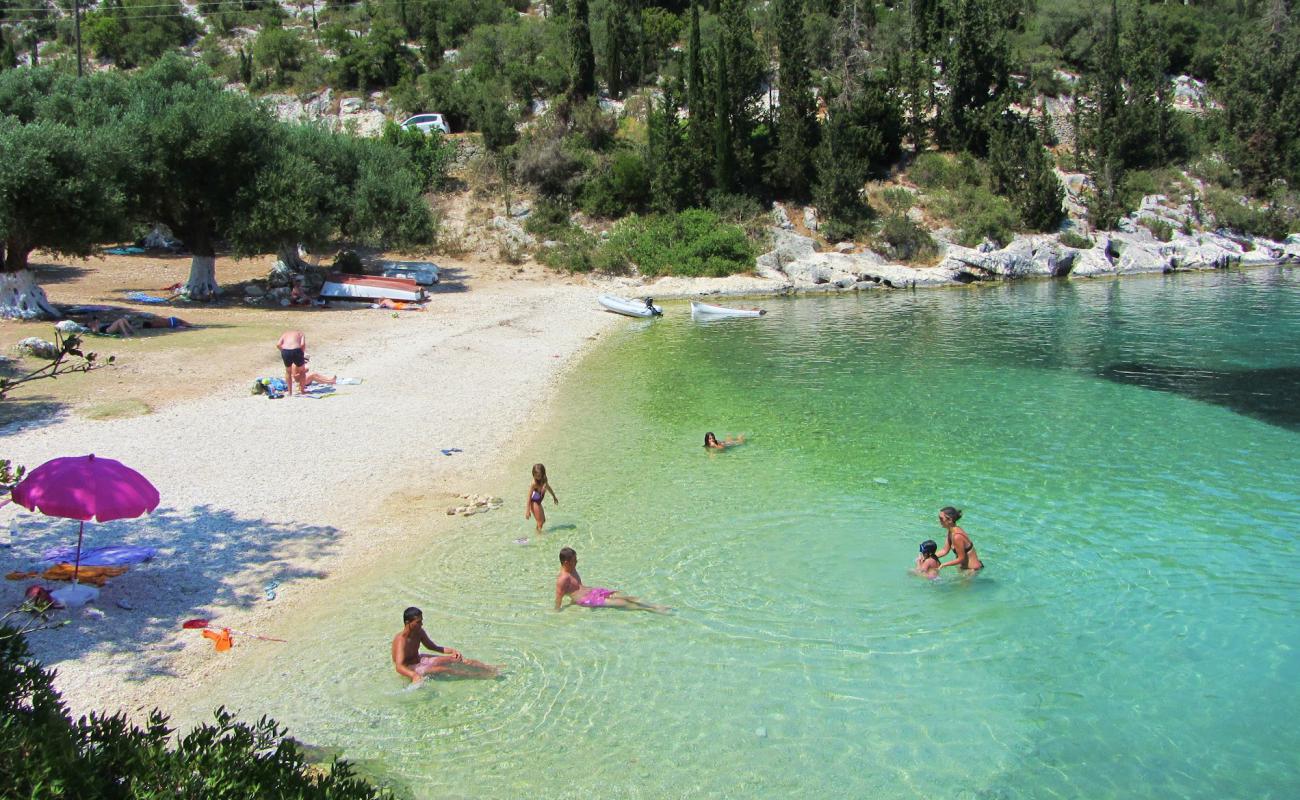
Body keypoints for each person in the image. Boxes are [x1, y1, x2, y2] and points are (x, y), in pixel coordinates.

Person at [391, 606, 499, 684]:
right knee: (444, 669)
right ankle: (481, 676)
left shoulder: (419, 632)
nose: (421, 624)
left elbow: (433, 647)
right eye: (418, 622)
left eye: (421, 621)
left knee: (458, 660)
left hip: (419, 659)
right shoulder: (402, 640)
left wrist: (452, 651)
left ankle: (489, 668)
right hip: (410, 667)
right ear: (407, 623)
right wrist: (413, 675)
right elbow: (399, 666)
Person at [554, 547, 669, 613]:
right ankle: (651, 610)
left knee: (624, 596)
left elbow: (577, 587)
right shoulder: (563, 579)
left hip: (593, 591)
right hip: (586, 599)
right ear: (566, 562)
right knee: (623, 603)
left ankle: (655, 605)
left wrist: (572, 600)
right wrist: (556, 612)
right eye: (575, 560)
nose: (577, 561)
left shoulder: (572, 569)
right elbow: (558, 599)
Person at [933, 507, 983, 572]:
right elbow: (944, 550)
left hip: (972, 570)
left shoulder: (957, 536)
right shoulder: (951, 531)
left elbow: (961, 558)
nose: (939, 521)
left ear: (950, 520)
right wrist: (930, 556)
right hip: (964, 568)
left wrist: (943, 565)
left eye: (941, 519)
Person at [525, 463, 558, 534]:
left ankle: (537, 532)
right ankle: (539, 537)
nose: (536, 477)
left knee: (543, 520)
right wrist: (528, 510)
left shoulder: (544, 480)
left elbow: (548, 488)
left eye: (538, 476)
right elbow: (528, 497)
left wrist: (554, 497)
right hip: (533, 502)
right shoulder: (534, 483)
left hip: (538, 502)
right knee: (540, 522)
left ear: (543, 474)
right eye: (535, 475)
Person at [276, 330, 308, 397]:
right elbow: (302, 344)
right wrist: (302, 353)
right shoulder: (301, 334)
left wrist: (283, 351)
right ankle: (302, 391)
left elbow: (278, 344)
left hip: (285, 351)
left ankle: (290, 392)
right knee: (302, 371)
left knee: (288, 372)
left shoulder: (285, 333)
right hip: (296, 350)